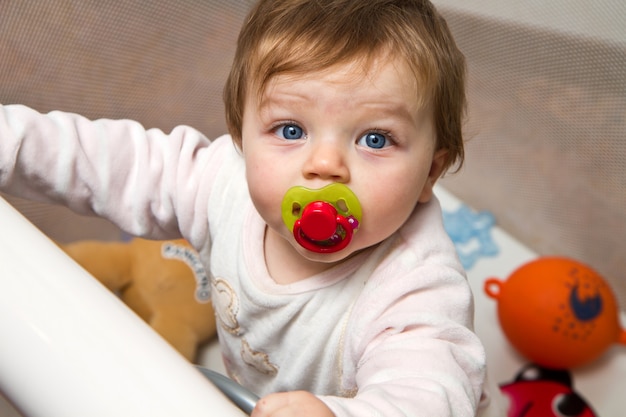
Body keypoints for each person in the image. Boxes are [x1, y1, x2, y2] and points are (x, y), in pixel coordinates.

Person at [0, 0, 497, 416]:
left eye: (374, 138)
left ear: (431, 173)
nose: (325, 165)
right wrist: (11, 143)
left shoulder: (417, 289)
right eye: (290, 130)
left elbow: (428, 394)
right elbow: (107, 162)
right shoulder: (223, 180)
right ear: (240, 139)